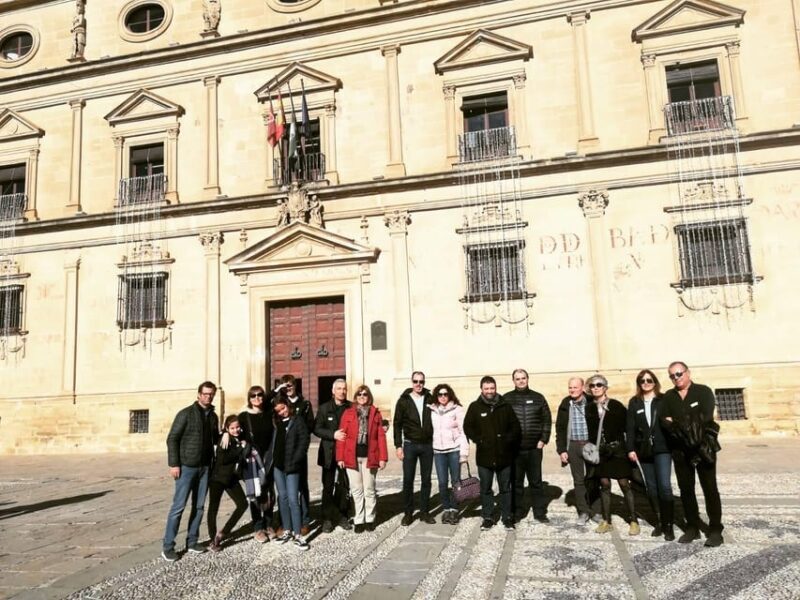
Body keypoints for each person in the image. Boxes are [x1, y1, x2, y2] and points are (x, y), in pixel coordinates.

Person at [660, 361, 724, 547]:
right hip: (681, 451)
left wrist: (677, 422)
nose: (676, 378)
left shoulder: (703, 391)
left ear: (688, 372)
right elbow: (664, 421)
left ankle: (715, 529)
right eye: (672, 375)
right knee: (686, 491)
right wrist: (687, 422)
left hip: (703, 448)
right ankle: (692, 527)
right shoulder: (668, 397)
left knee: (710, 489)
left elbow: (705, 417)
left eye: (679, 373)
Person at [162, 381, 220, 561]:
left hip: (204, 467)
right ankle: (168, 546)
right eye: (205, 393)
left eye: (211, 394)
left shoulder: (213, 416)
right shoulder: (185, 414)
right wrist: (174, 464)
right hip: (186, 467)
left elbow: (215, 438)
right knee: (178, 507)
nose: (208, 397)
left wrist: (226, 433)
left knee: (199, 506)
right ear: (199, 394)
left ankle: (192, 541)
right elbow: (172, 438)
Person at [463, 376, 521, 531]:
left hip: (504, 456)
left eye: (492, 388)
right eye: (486, 389)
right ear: (482, 389)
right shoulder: (475, 407)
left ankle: (507, 517)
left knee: (505, 488)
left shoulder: (505, 406)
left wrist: (507, 440)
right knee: (486, 488)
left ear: (495, 388)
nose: (489, 391)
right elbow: (468, 427)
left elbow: (515, 427)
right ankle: (487, 517)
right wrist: (479, 440)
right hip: (485, 456)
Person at [584, 374, 637, 535]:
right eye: (592, 386)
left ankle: (633, 520)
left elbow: (628, 427)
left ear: (605, 387)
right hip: (602, 452)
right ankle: (607, 520)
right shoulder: (589, 408)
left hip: (617, 450)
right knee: (605, 484)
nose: (595, 388)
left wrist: (629, 448)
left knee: (624, 484)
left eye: (599, 385)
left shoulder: (616, 405)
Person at [626, 369, 675, 541]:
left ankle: (669, 524)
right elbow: (630, 428)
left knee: (665, 485)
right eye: (642, 381)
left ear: (654, 382)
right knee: (651, 487)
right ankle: (659, 521)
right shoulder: (635, 402)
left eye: (649, 380)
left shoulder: (663, 399)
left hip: (663, 448)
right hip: (644, 450)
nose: (645, 383)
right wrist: (630, 448)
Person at [336, 385, 388, 532]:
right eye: (359, 394)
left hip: (370, 457)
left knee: (369, 489)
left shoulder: (375, 413)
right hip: (351, 457)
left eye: (365, 394)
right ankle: (359, 519)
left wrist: (383, 457)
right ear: (356, 397)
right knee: (357, 490)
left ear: (369, 396)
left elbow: (381, 437)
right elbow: (341, 436)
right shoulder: (348, 413)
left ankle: (370, 518)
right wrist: (340, 457)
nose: (362, 396)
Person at [505, 368, 552, 524]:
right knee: (516, 483)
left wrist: (543, 439)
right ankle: (518, 512)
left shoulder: (538, 398)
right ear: (513, 381)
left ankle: (540, 512)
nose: (521, 381)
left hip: (534, 448)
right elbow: (501, 422)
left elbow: (546, 419)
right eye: (517, 379)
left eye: (523, 378)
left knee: (536, 482)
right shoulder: (507, 399)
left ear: (527, 379)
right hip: (515, 450)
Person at [270, 375, 313, 535]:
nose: (287, 388)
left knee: (301, 487)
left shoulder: (304, 404)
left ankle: (304, 520)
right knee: (284, 494)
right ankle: (285, 523)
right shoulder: (277, 407)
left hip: (297, 454)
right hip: (282, 458)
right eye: (284, 386)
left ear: (295, 386)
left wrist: (299, 450)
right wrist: (276, 391)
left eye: (289, 385)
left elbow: (308, 427)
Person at [393, 371, 435, 526]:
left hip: (427, 445)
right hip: (410, 445)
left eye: (421, 381)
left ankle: (424, 512)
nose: (419, 384)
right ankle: (408, 513)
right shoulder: (403, 400)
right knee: (408, 480)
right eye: (416, 381)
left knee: (426, 480)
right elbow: (397, 424)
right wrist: (398, 445)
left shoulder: (430, 398)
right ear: (412, 382)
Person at [555, 377, 596, 524]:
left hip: (590, 445)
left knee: (593, 478)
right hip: (572, 445)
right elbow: (559, 428)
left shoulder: (592, 402)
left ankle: (595, 510)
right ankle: (583, 511)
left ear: (582, 388)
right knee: (578, 481)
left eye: (575, 387)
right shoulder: (566, 403)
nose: (572, 390)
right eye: (570, 387)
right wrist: (561, 450)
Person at [314, 378, 353, 533]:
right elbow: (317, 429)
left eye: (344, 388)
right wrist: (333, 434)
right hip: (329, 453)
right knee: (328, 487)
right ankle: (327, 519)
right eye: (339, 388)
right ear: (333, 391)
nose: (342, 391)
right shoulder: (324, 408)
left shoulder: (351, 407)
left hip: (347, 453)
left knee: (344, 486)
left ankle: (343, 516)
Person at [238, 385, 275, 543]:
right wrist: (226, 434)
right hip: (253, 460)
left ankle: (269, 524)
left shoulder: (269, 414)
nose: (257, 398)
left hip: (268, 458)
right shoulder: (243, 416)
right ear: (249, 398)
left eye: (260, 395)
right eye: (253, 396)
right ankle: (258, 527)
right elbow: (233, 430)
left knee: (269, 492)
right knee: (255, 493)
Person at [207, 415, 249, 552]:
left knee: (243, 504)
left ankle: (223, 532)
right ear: (227, 428)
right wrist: (239, 448)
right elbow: (224, 458)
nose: (235, 430)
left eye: (237, 427)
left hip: (231, 479)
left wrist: (242, 445)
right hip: (218, 479)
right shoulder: (224, 439)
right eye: (232, 428)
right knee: (213, 509)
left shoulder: (240, 438)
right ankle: (213, 540)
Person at [428, 383, 468, 524]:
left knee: (456, 481)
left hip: (454, 450)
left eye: (445, 394)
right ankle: (446, 509)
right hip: (438, 451)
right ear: (436, 396)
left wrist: (464, 453)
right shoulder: (431, 410)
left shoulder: (457, 409)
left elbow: (464, 432)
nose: (443, 397)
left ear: (449, 395)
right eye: (440, 394)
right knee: (442, 482)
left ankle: (454, 509)